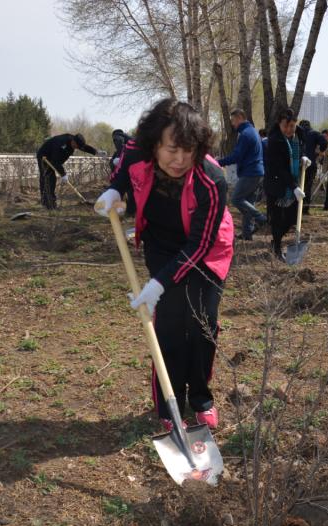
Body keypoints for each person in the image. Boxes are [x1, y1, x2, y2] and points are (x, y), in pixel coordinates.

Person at [94, 99, 233, 431]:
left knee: (201, 323)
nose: (180, 160)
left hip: (207, 249)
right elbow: (122, 172)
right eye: (172, 150)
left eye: (189, 150)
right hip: (160, 243)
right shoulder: (135, 151)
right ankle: (169, 407)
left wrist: (158, 284)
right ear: (154, 144)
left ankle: (201, 399)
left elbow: (199, 245)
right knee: (168, 325)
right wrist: (115, 190)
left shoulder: (212, 180)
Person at [264, 108, 311, 260]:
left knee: (292, 217)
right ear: (279, 124)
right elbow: (279, 168)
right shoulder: (274, 140)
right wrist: (294, 186)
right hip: (276, 184)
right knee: (277, 219)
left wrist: (303, 156)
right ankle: (277, 247)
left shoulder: (299, 134)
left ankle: (276, 241)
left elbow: (303, 147)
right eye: (285, 126)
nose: (289, 129)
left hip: (292, 182)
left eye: (292, 126)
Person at [217, 109, 266, 240]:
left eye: (233, 120)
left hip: (250, 173)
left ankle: (261, 218)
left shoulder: (245, 134)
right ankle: (247, 233)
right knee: (248, 202)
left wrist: (218, 162)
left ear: (239, 118)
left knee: (236, 199)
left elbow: (236, 156)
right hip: (257, 172)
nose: (233, 124)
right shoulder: (253, 131)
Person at [36, 132, 98, 209]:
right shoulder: (61, 143)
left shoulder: (75, 141)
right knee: (48, 179)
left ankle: (50, 202)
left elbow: (84, 147)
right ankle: (48, 203)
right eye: (77, 146)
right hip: (44, 156)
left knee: (52, 179)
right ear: (73, 142)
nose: (77, 148)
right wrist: (63, 174)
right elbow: (55, 161)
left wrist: (95, 152)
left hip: (54, 158)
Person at [298, 120, 327, 214]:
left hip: (297, 163)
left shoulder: (296, 132)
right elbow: (324, 142)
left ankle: (296, 208)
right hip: (310, 163)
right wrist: (321, 151)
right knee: (308, 186)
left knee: (297, 185)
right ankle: (305, 209)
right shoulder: (314, 133)